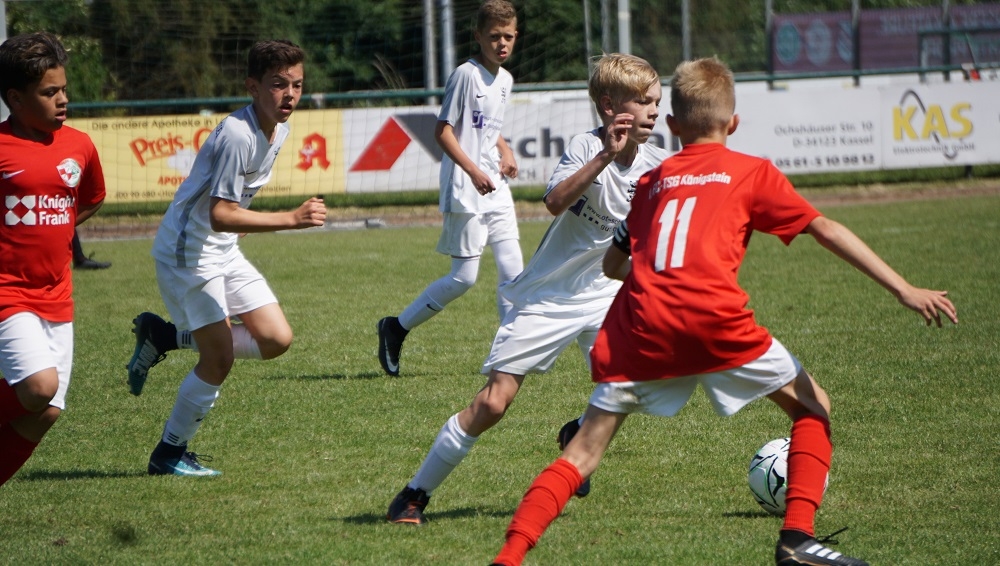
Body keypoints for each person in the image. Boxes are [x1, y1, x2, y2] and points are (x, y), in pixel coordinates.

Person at [490, 57, 958, 566]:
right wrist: (903, 288)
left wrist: (660, 283)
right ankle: (797, 540)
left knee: (582, 453)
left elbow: (611, 265)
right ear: (733, 123)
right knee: (812, 407)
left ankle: (508, 558)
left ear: (672, 125)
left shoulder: (650, 182)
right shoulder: (751, 172)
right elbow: (823, 229)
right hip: (715, 320)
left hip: (642, 326)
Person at [386, 53, 669, 524]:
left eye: (657, 101)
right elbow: (555, 201)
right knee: (494, 402)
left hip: (606, 292)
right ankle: (414, 494)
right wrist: (605, 156)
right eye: (643, 102)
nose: (654, 111)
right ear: (609, 106)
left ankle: (577, 434)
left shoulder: (659, 163)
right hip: (549, 295)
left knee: (635, 384)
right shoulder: (586, 146)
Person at [124, 39, 326, 477]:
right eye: (278, 84)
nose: (290, 94)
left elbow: (228, 213)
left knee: (275, 339)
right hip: (189, 255)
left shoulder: (279, 129)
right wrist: (292, 219)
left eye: (296, 84)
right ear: (253, 87)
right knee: (218, 360)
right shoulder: (237, 134)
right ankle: (168, 454)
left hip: (222, 248)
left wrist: (250, 223)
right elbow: (220, 214)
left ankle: (165, 336)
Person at [376, 0, 523, 377]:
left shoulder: (505, 80)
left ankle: (507, 357)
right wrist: (473, 171)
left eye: (508, 36)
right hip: (465, 187)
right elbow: (443, 132)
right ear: (478, 37)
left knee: (514, 273)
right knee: (463, 278)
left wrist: (505, 151)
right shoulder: (465, 75)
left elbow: (490, 128)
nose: (502, 43)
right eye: (494, 36)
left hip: (495, 187)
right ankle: (395, 327)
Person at [0, 32, 107, 487]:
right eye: (49, 93)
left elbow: (91, 198)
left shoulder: (79, 145)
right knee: (39, 387)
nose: (63, 100)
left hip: (57, 295)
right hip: (8, 292)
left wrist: (53, 225)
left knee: (46, 411)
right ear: (15, 99)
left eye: (64, 89)